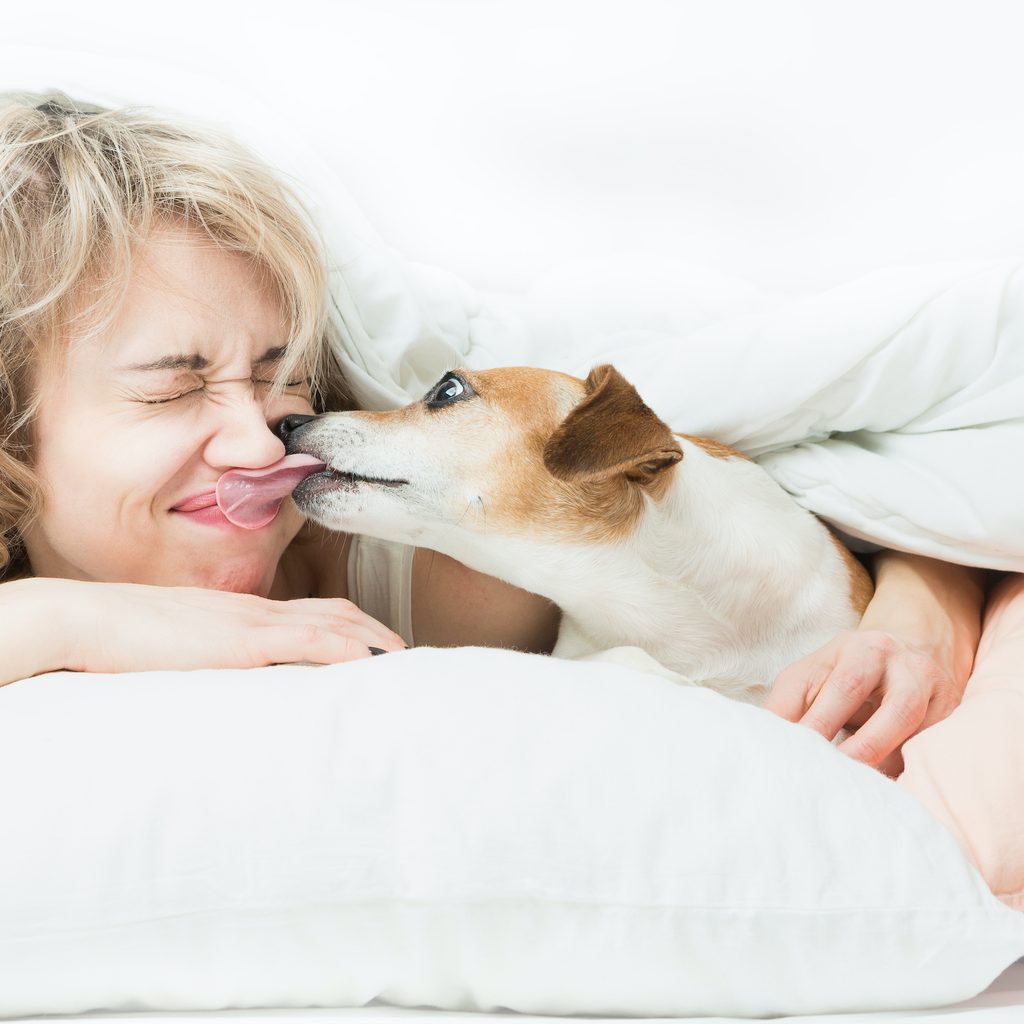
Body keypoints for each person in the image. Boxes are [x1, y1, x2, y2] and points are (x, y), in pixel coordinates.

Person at [0, 93, 1014, 894]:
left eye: (280, 372)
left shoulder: (453, 544)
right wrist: (62, 619)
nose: (261, 431)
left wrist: (926, 606)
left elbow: (901, 476)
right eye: (172, 384)